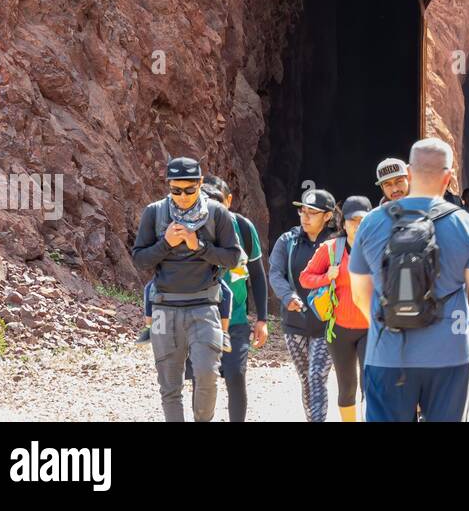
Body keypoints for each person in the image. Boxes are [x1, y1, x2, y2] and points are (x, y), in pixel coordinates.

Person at [349, 138, 469, 422]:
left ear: (409, 171)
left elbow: (359, 294)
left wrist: (389, 322)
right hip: (449, 356)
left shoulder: (370, 222)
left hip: (388, 356)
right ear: (448, 177)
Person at [130, 156, 243, 422]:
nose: (182, 196)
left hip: (205, 307)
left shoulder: (217, 213)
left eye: (190, 190)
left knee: (207, 375)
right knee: (169, 386)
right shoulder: (154, 213)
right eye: (176, 190)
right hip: (162, 309)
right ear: (168, 185)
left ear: (201, 183)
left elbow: (233, 257)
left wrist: (200, 247)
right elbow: (140, 259)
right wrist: (166, 243)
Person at [181, 176, 270, 422]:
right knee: (202, 378)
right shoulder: (190, 230)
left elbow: (257, 275)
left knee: (235, 374)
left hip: (237, 320)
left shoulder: (243, 228)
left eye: (219, 201)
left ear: (229, 201)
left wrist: (262, 319)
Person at [269, 187, 340, 422]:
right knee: (306, 378)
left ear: (327, 216)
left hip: (327, 323)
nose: (305, 217)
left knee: (317, 374)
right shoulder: (287, 241)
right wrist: (287, 296)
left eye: (313, 212)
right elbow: (275, 273)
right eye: (303, 211)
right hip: (294, 322)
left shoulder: (337, 244)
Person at [299, 195, 371, 422]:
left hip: (371, 328)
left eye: (363, 220)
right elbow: (304, 278)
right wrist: (325, 277)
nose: (358, 225)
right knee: (347, 386)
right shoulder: (331, 249)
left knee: (371, 385)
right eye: (353, 220)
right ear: (343, 223)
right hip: (339, 330)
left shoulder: (380, 248)